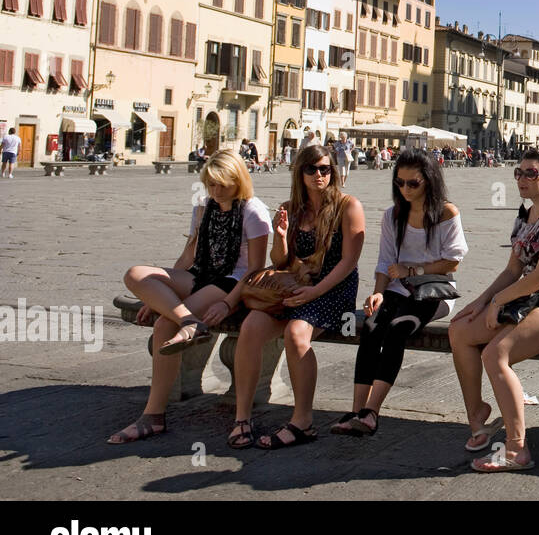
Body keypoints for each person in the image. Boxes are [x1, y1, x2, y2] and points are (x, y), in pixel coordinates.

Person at [108, 151, 272, 443]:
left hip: (231, 281)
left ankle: (153, 415)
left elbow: (257, 268)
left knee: (163, 325)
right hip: (200, 274)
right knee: (135, 274)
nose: (216, 190)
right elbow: (188, 256)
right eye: (210, 184)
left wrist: (228, 302)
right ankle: (189, 320)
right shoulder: (202, 207)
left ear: (239, 181)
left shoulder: (254, 211)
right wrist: (156, 297)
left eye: (222, 184)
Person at [449, 148, 539, 472]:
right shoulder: (525, 214)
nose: (522, 179)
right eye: (519, 173)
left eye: (531, 173)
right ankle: (478, 417)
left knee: (494, 354)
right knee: (459, 330)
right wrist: (482, 300)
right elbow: (512, 271)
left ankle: (517, 450)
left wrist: (499, 302)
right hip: (533, 297)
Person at [228, 144, 365, 450]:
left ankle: (302, 421)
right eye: (311, 169)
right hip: (292, 286)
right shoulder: (290, 207)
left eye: (325, 169)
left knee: (295, 333)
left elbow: (349, 262)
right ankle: (242, 417)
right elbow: (279, 262)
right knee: (250, 329)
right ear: (300, 172)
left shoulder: (348, 206)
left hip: (333, 288)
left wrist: (314, 292)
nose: (319, 175)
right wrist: (280, 236)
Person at [332, 149, 466, 436]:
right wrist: (378, 293)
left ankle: (372, 412)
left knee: (397, 329)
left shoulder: (446, 212)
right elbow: (385, 261)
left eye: (412, 183)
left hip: (433, 291)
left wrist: (412, 271)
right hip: (396, 289)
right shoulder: (392, 215)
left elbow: (453, 261)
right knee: (370, 326)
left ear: (429, 181)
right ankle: (356, 410)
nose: (405, 189)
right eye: (400, 182)